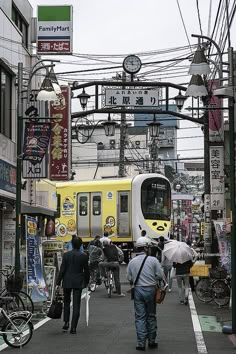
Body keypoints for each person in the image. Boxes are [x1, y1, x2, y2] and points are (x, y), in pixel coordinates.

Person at [127, 236, 166, 351]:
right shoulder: (153, 260)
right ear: (145, 248)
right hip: (150, 289)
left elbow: (129, 277)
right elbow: (159, 275)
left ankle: (140, 343)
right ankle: (152, 341)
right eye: (148, 247)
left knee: (140, 317)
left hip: (138, 290)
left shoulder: (132, 262)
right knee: (151, 315)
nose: (149, 249)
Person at [56, 236, 90, 334]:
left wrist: (58, 282)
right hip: (78, 281)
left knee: (66, 302)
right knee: (76, 304)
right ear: (80, 245)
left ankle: (66, 322)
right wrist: (87, 281)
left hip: (67, 281)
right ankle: (73, 327)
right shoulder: (84, 256)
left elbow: (62, 269)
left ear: (72, 244)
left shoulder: (66, 255)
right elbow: (86, 271)